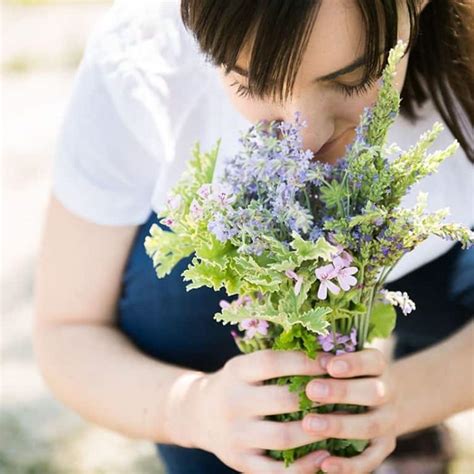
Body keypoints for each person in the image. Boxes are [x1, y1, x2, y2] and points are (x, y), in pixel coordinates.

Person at [33, 0, 473, 473]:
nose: (303, 144)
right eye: (250, 81)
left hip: (435, 263)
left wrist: (401, 399)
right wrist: (192, 412)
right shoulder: (142, 61)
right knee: (170, 312)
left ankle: (410, 414)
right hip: (246, 305)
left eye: (352, 79)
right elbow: (67, 330)